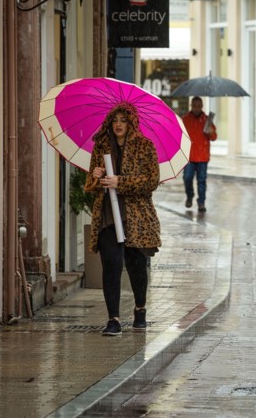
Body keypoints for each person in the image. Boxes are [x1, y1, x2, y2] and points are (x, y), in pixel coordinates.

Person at [84, 102, 162, 336]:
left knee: (136, 266)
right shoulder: (101, 147)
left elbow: (152, 181)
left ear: (131, 123)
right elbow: (90, 183)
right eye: (115, 120)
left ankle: (140, 309)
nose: (118, 124)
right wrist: (96, 175)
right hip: (108, 215)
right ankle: (114, 320)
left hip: (136, 217)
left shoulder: (145, 146)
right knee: (112, 265)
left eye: (123, 120)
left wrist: (121, 182)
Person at [182, 96, 217, 213]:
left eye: (199, 106)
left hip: (202, 156)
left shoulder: (207, 120)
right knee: (187, 178)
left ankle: (201, 202)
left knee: (202, 181)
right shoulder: (185, 119)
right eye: (194, 106)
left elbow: (214, 138)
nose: (196, 108)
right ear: (191, 106)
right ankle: (190, 195)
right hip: (189, 156)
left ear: (202, 106)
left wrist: (212, 133)